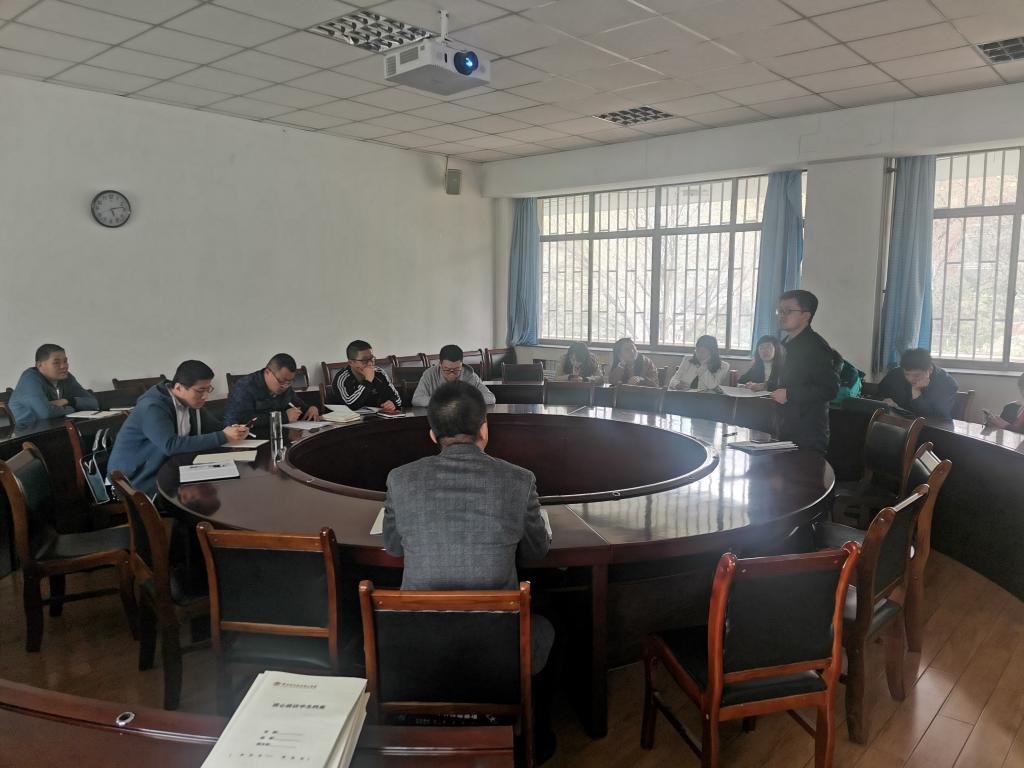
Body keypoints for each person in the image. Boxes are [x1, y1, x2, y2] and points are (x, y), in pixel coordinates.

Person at [382, 380, 555, 761]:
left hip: (416, 641)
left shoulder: (400, 479)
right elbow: (538, 550)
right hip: (496, 645)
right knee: (543, 627)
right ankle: (532, 736)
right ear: (483, 429)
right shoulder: (519, 480)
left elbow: (393, 547)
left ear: (432, 434)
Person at [108, 360, 249, 495]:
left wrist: (235, 430)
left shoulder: (191, 403)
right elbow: (170, 445)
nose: (205, 396)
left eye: (208, 389)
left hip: (170, 470)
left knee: (228, 484)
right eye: (200, 390)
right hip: (135, 481)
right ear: (179, 388)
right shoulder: (152, 406)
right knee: (203, 496)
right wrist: (224, 436)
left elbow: (217, 428)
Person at [771, 290, 839, 453]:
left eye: (788, 311)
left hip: (807, 433)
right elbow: (791, 380)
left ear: (806, 316)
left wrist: (789, 394)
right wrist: (766, 385)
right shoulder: (786, 343)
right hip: (785, 424)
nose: (782, 315)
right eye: (780, 311)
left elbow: (830, 389)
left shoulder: (816, 347)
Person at [223, 353, 319, 431]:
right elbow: (244, 420)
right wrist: (283, 417)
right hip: (247, 441)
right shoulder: (245, 387)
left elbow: (298, 406)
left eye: (290, 382)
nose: (285, 386)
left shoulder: (286, 386)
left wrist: (311, 409)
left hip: (276, 436)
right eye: (281, 381)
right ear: (267, 372)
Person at [9, 344, 99, 423]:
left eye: (65, 361)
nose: (64, 366)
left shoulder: (65, 377)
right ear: (39, 365)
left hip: (53, 427)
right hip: (25, 432)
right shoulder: (30, 379)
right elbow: (46, 413)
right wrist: (73, 408)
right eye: (56, 363)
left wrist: (68, 401)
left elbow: (94, 404)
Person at [877, 348, 959, 419]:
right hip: (897, 423)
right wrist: (883, 401)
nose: (910, 379)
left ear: (930, 370)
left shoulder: (947, 384)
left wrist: (916, 391)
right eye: (907, 374)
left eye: (916, 375)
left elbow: (937, 418)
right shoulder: (896, 373)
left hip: (928, 428)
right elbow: (877, 395)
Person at [411, 345, 495, 407]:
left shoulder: (469, 374)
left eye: (456, 369)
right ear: (440, 364)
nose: (451, 374)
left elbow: (490, 398)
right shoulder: (429, 374)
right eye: (447, 369)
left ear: (462, 365)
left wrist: (464, 400)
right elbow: (416, 399)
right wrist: (442, 401)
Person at [333, 340, 401, 411]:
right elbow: (351, 405)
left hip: (378, 416)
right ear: (351, 363)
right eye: (364, 360)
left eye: (372, 359)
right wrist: (367, 381)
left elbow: (397, 398)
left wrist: (393, 403)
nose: (370, 364)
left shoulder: (379, 373)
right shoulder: (342, 378)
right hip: (350, 417)